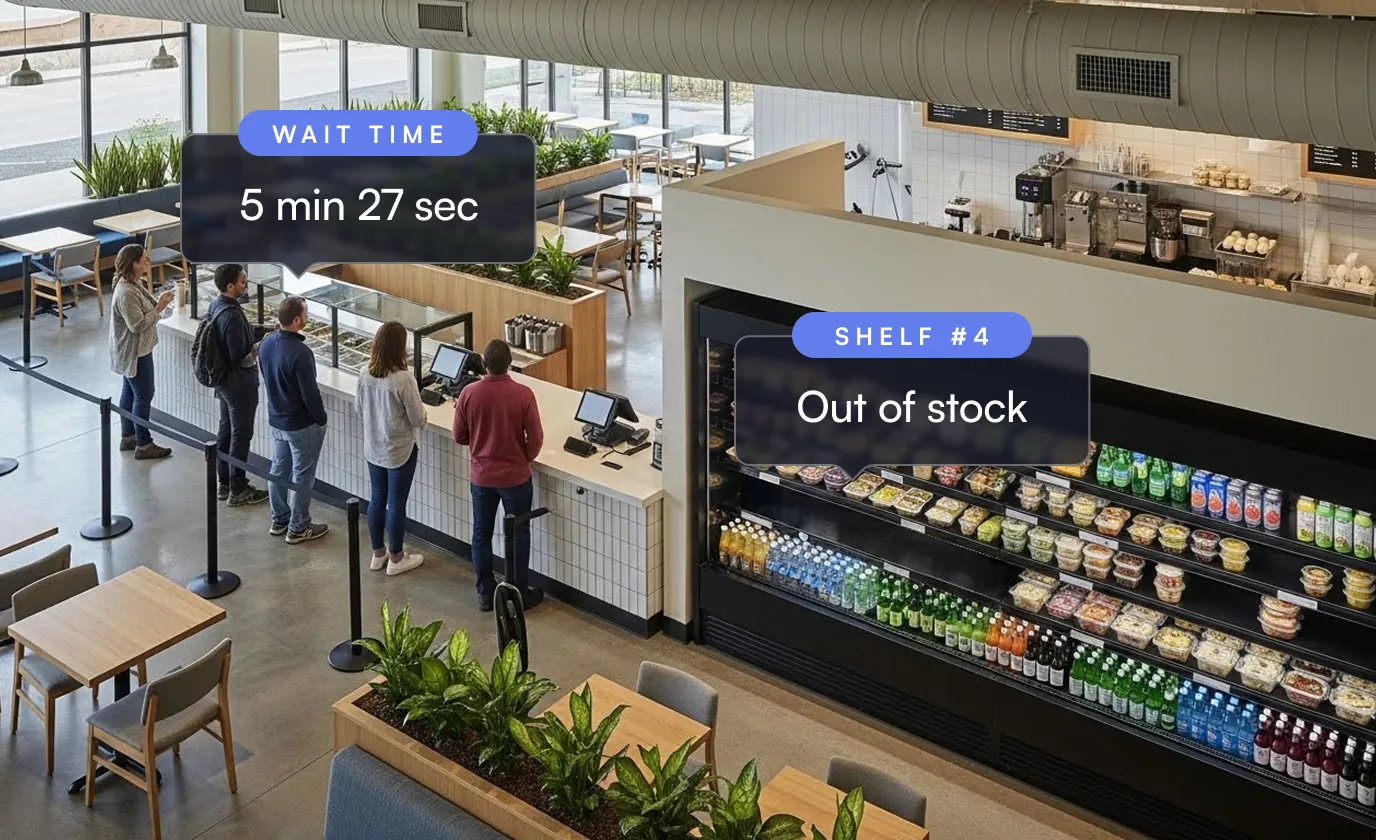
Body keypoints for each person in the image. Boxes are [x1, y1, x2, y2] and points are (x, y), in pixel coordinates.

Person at [453, 339, 544, 610]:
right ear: (510, 364)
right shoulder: (524, 394)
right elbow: (536, 438)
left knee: (481, 533)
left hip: (481, 477)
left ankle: (485, 592)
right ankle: (517, 594)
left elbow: (459, 435)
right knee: (518, 535)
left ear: (483, 364)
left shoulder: (469, 393)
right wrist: (523, 458)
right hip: (516, 479)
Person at [356, 321, 426, 576]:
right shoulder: (404, 379)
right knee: (396, 504)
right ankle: (397, 557)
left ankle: (378, 553)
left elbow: (359, 408)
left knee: (377, 499)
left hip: (373, 447)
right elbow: (418, 419)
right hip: (399, 450)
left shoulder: (365, 372)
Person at [258, 295, 329, 544]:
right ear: (298, 320)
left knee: (278, 469)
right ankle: (299, 527)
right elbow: (310, 393)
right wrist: (321, 419)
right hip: (301, 425)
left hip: (276, 420)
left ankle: (280, 519)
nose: (308, 318)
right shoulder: (301, 352)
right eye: (306, 314)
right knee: (302, 476)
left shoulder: (266, 343)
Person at [208, 264, 268, 506]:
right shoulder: (232, 315)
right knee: (241, 435)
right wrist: (259, 346)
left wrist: (261, 331)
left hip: (223, 382)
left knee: (226, 429)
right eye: (243, 282)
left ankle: (224, 481)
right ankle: (238, 488)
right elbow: (237, 353)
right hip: (238, 383)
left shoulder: (217, 305)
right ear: (230, 286)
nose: (246, 285)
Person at [109, 244, 173, 460]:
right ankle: (144, 443)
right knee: (144, 394)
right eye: (144, 259)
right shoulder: (126, 292)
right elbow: (136, 325)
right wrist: (159, 309)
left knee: (129, 392)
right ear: (134, 263)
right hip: (135, 351)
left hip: (130, 350)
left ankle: (128, 436)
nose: (148, 262)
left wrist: (159, 304)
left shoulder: (130, 284)